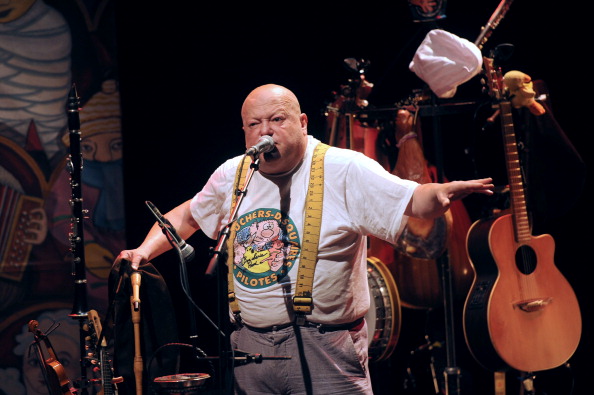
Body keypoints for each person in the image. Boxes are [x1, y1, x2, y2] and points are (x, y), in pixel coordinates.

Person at [115, 84, 493, 395]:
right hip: (248, 349)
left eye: (277, 120)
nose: (265, 132)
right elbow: (187, 215)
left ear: (302, 122)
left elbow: (411, 199)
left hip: (325, 349)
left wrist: (440, 193)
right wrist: (144, 251)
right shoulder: (235, 173)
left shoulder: (343, 167)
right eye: (254, 124)